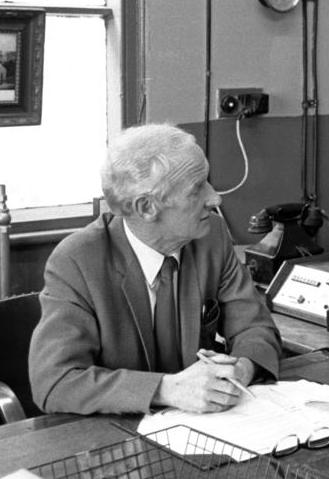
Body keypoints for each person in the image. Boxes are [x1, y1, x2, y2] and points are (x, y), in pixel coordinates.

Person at [29, 123, 282, 415]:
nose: (215, 198)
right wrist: (167, 389)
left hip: (205, 428)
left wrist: (242, 369)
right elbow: (55, 382)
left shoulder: (211, 235)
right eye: (197, 188)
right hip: (117, 437)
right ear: (147, 208)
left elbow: (255, 327)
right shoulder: (77, 261)